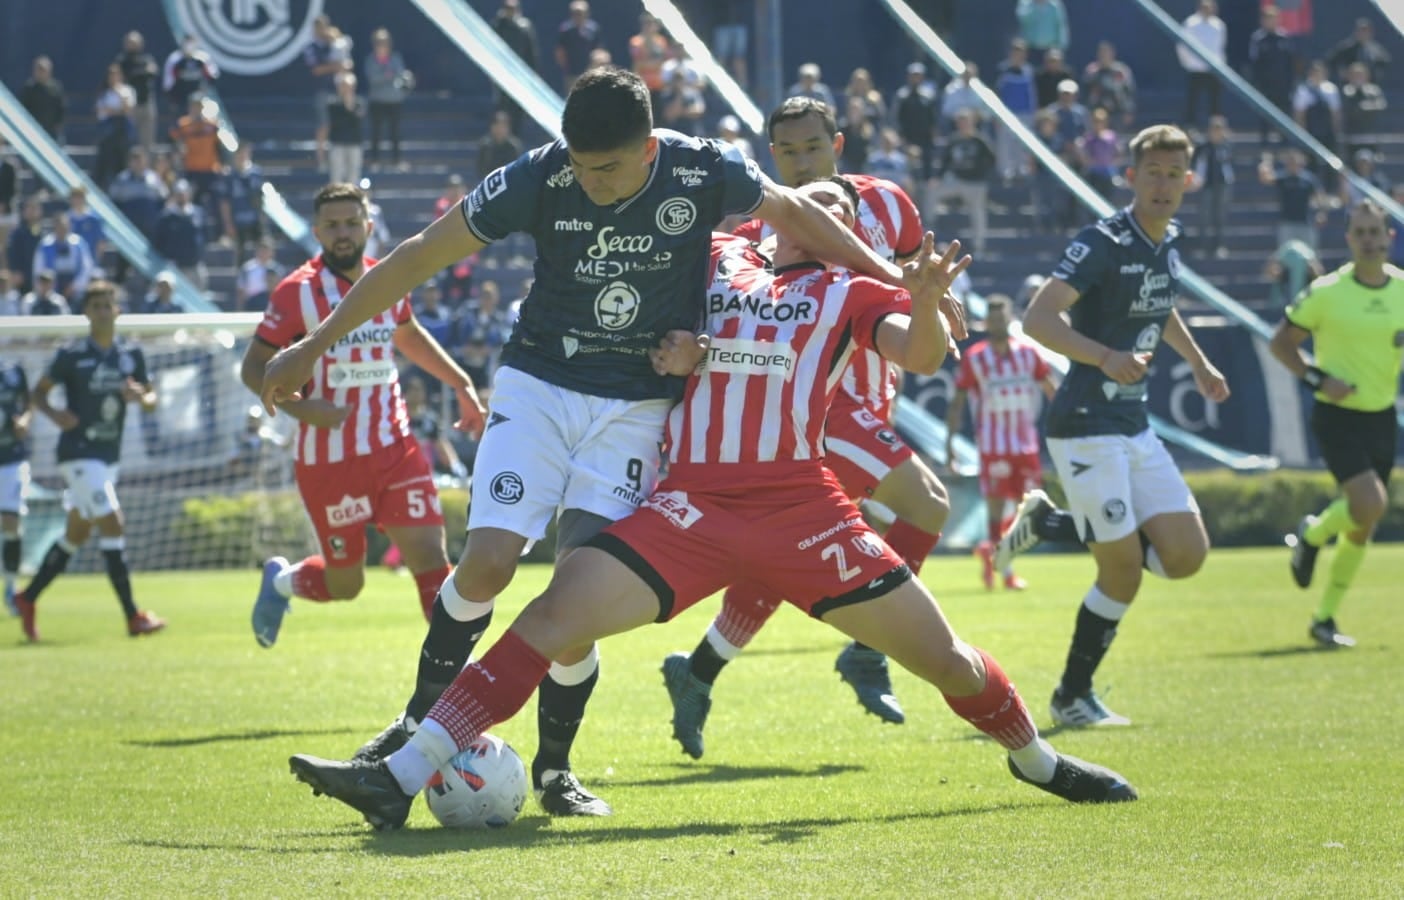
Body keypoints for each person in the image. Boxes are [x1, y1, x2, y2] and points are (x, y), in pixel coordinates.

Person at [282, 181, 1137, 832]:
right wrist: (675, 348)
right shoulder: (718, 258)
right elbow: (652, 305)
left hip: (805, 512)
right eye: (802, 195)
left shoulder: (850, 289)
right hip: (688, 508)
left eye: (833, 200)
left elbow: (919, 354)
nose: (811, 204)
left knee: (945, 659)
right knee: (547, 620)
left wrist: (919, 301)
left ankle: (1038, 760)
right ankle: (398, 778)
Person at [255, 68, 913, 818]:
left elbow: (797, 209)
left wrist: (897, 283)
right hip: (540, 383)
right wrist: (314, 344)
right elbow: (414, 255)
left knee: (576, 595)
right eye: (579, 163)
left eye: (607, 167)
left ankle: (554, 773)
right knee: (489, 559)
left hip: (635, 406)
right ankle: (406, 733)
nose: (590, 181)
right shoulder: (537, 176)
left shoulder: (701, 166)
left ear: (648, 147)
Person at [665, 96, 959, 756]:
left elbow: (910, 281)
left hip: (873, 398)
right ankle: (868, 650)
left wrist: (934, 298)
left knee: (780, 561)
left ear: (839, 145)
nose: (801, 164)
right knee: (929, 504)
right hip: (813, 412)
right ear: (772, 156)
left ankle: (697, 671)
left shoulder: (889, 204)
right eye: (788, 152)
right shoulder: (751, 235)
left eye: (812, 149)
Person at [994, 124, 1231, 727]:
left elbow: (1162, 303)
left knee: (1186, 555)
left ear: (1188, 182)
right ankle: (1072, 698)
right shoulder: (1101, 241)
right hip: (1084, 422)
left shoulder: (1168, 243)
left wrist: (1200, 364)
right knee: (1121, 572)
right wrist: (1103, 356)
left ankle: (1050, 521)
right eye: (1152, 173)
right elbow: (1037, 318)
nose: (1163, 185)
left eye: (1174, 175)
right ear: (1130, 178)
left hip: (1133, 422)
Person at [241, 182, 483, 646]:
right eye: (332, 225)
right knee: (346, 585)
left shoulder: (386, 278)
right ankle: (279, 582)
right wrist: (303, 409)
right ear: (316, 232)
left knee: (432, 559)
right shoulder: (296, 293)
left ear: (369, 227)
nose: (343, 233)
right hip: (329, 462)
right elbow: (253, 368)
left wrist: (461, 382)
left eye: (352, 223)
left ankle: (454, 698)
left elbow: (408, 335)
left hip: (395, 447)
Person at [1270, 200, 1404, 648]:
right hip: (1337, 417)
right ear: (1348, 240)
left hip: (1382, 416)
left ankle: (1324, 618)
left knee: (1363, 524)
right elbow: (1281, 345)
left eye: (1376, 231)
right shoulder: (1327, 291)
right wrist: (1318, 378)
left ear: (1390, 237)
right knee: (1370, 503)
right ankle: (1311, 533)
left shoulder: (1403, 289)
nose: (1369, 239)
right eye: (1361, 232)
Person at [14, 281, 166, 642]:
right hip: (78, 453)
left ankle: (28, 596)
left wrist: (140, 396)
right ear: (86, 313)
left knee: (76, 533)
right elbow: (38, 392)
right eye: (95, 306)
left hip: (108, 456)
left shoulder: (130, 355)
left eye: (107, 305)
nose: (102, 312)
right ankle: (133, 616)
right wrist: (55, 414)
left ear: (118, 311)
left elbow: (152, 399)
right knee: (113, 523)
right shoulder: (71, 355)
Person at [946, 295, 1056, 590]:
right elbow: (957, 403)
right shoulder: (976, 357)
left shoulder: (1028, 354)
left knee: (1029, 509)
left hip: (1026, 444)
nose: (997, 324)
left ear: (1010, 320)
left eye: (1001, 319)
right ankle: (1005, 572)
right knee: (996, 509)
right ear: (986, 323)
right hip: (993, 446)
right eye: (992, 320)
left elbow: (1050, 391)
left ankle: (990, 549)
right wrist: (950, 446)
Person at [1, 360, 30, 615]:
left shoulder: (13, 370)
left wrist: (25, 420)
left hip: (11, 458)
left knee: (11, 521)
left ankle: (11, 587)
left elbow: (30, 402)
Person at [1249, 5, 1300, 143]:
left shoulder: (1284, 38)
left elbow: (1291, 63)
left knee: (1284, 113)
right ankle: (1264, 140)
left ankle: (1284, 139)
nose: (1271, 21)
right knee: (1265, 113)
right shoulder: (1258, 39)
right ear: (1263, 21)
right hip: (1265, 85)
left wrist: (1292, 83)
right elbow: (1254, 63)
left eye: (1274, 18)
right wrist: (1256, 84)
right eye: (1268, 18)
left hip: (1283, 85)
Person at [364, 29, 413, 172]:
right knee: (376, 133)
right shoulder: (370, 60)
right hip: (377, 101)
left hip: (395, 101)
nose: (382, 45)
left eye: (385, 42)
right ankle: (375, 161)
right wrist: (388, 75)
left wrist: (387, 76)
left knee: (395, 132)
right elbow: (373, 79)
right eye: (379, 43)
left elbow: (401, 75)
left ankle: (397, 160)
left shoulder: (396, 58)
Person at [1189, 115, 1235, 258]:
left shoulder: (1226, 146)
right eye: (1215, 128)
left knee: (1220, 217)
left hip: (1222, 185)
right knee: (1204, 216)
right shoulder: (1203, 146)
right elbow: (1196, 164)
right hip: (1206, 185)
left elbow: (1228, 165)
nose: (1217, 132)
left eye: (1220, 129)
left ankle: (1219, 246)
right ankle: (1202, 246)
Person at [1177, 0, 1226, 127]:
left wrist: (1220, 65)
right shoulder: (1190, 23)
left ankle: (1216, 131)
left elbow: (1221, 46)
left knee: (1215, 103)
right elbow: (1182, 46)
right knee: (1192, 101)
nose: (1208, 10)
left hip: (1214, 70)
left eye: (1210, 7)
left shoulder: (1219, 25)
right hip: (1195, 69)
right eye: (1205, 7)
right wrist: (1188, 63)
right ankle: (1190, 128)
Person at [114, 31, 159, 154]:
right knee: (127, 141)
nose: (132, 46)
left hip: (145, 103)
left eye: (135, 43)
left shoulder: (147, 59)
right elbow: (123, 77)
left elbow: (153, 72)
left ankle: (146, 171)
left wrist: (137, 74)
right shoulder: (121, 60)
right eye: (129, 43)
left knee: (147, 142)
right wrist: (142, 73)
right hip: (128, 107)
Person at [20, 57, 65, 142]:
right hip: (33, 131)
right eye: (39, 69)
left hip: (51, 132)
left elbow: (61, 108)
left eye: (43, 70)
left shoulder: (56, 88)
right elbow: (22, 108)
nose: (41, 73)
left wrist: (58, 125)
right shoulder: (29, 88)